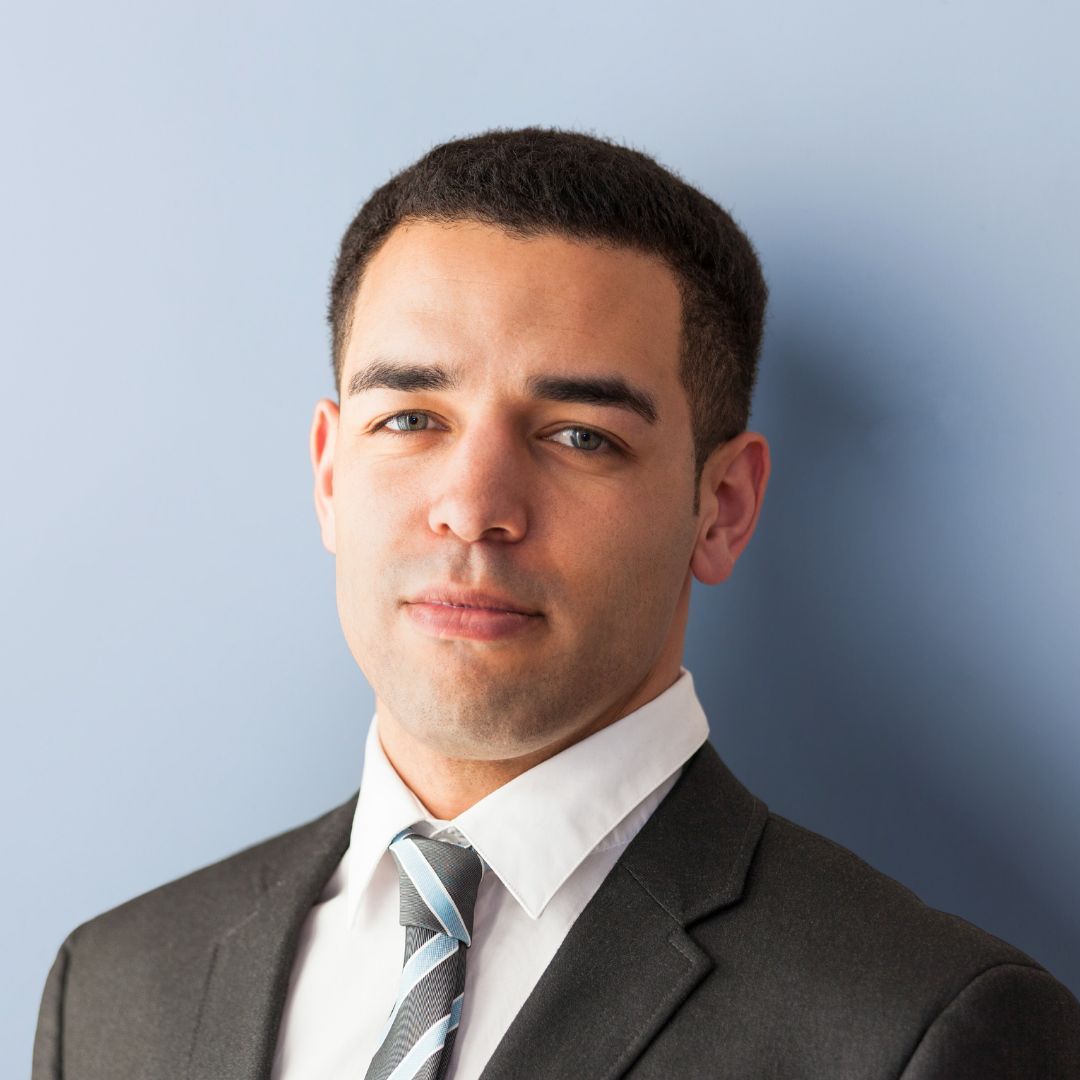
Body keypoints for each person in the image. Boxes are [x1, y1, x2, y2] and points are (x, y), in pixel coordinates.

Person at [33, 127, 1080, 1080]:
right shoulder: (114, 988)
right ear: (328, 475)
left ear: (721, 507)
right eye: (409, 419)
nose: (474, 509)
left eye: (581, 436)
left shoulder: (923, 1030)